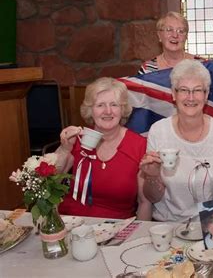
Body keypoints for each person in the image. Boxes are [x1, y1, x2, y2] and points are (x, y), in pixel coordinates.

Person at [139, 59, 213, 222]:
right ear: (173, 94)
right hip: (166, 224)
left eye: (197, 90)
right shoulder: (159, 131)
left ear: (206, 95)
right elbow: (153, 197)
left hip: (211, 224)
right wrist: (152, 176)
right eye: (184, 90)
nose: (190, 97)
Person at [56, 77, 149, 219]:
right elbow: (48, 182)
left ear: (122, 109)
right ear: (90, 110)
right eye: (100, 105)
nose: (108, 111)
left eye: (114, 105)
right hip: (72, 223)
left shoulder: (139, 145)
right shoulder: (77, 138)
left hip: (116, 229)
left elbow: (145, 202)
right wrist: (64, 149)